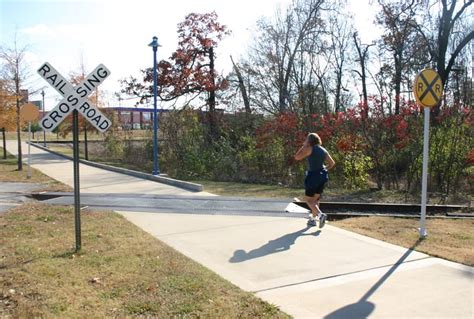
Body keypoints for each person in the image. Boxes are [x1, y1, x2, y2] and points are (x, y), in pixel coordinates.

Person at [294, 133, 335, 228]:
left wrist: (303, 146)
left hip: (313, 176)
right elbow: (332, 163)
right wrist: (325, 168)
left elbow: (297, 157)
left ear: (310, 140)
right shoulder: (323, 150)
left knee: (308, 200)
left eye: (306, 139)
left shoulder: (309, 148)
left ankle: (321, 215)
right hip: (323, 176)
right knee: (315, 199)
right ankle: (313, 220)